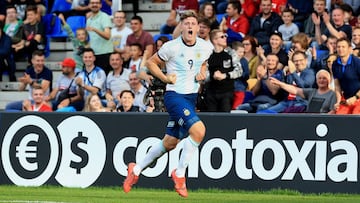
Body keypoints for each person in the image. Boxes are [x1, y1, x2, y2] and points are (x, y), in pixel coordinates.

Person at [122, 11, 213, 198]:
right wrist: (165, 78)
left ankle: (136, 169)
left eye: (193, 23)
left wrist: (202, 72)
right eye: (186, 23)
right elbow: (150, 62)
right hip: (174, 96)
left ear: (198, 28)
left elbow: (202, 62)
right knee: (199, 131)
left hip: (190, 98)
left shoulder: (206, 47)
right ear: (181, 27)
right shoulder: (171, 47)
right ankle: (179, 174)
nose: (189, 26)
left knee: (170, 143)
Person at [205, 29, 244, 112]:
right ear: (215, 40)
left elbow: (239, 71)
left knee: (225, 118)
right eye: (222, 37)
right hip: (211, 92)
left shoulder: (231, 53)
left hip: (227, 92)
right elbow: (203, 74)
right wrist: (213, 76)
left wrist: (225, 75)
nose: (225, 38)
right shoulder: (208, 54)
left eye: (225, 36)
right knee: (211, 118)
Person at [269, 69, 336, 113]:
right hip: (308, 120)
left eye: (324, 78)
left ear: (329, 80)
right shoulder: (312, 92)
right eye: (319, 78)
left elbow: (333, 111)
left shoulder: (332, 94)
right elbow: (295, 90)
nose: (321, 80)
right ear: (316, 80)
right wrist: (279, 83)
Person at [332, 37, 360, 114]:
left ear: (349, 49)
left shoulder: (357, 63)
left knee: (355, 115)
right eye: (338, 47)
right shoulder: (335, 64)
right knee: (340, 115)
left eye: (343, 47)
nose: (340, 49)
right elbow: (337, 85)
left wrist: (355, 98)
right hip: (346, 99)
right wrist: (338, 101)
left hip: (357, 98)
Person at [86, 0, 113, 74]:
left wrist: (95, 29)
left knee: (103, 80)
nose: (95, 5)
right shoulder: (89, 20)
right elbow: (92, 38)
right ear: (89, 5)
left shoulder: (104, 16)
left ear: (101, 5)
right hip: (94, 55)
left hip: (104, 54)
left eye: (97, 3)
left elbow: (107, 36)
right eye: (92, 3)